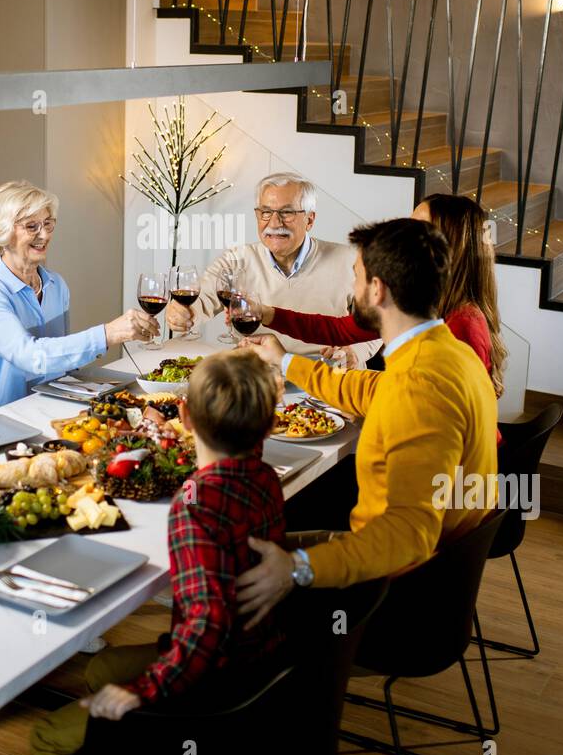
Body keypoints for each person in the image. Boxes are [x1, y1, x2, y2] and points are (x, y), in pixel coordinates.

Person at [30, 348, 286, 755]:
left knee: (49, 742)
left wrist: (145, 691)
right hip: (260, 668)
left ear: (185, 418)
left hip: (209, 691)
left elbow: (205, 628)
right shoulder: (264, 477)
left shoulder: (194, 504)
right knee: (101, 670)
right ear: (269, 420)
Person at [235, 218, 499, 623]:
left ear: (377, 290)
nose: (353, 288)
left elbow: (408, 535)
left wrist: (297, 569)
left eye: (356, 276)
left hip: (387, 597)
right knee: (238, 549)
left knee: (228, 573)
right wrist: (283, 360)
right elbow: (372, 390)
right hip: (428, 572)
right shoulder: (448, 352)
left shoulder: (418, 384)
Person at [259, 194, 506, 392]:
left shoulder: (462, 327)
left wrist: (287, 362)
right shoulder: (415, 308)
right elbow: (339, 331)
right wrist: (266, 314)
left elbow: (429, 414)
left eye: (416, 229)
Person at [0, 181, 158, 419]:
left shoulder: (55, 285)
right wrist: (108, 334)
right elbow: (32, 357)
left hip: (43, 409)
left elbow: (61, 366)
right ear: (2, 232)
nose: (45, 234)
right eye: (32, 226)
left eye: (48, 223)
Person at [163, 172, 380, 365]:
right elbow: (201, 300)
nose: (274, 223)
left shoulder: (352, 261)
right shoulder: (235, 260)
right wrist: (182, 312)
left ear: (310, 219)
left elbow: (379, 324)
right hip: (258, 378)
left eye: (287, 213)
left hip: (328, 376)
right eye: (265, 212)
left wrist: (355, 352)